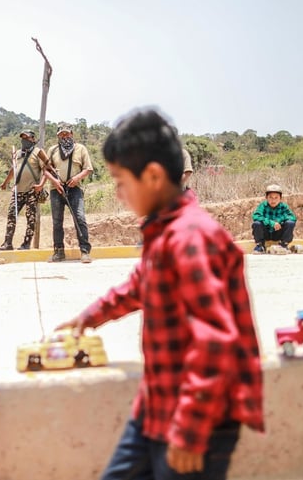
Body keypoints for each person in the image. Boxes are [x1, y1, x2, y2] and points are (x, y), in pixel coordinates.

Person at [55, 107, 263, 480]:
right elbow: (139, 287)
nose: (118, 194)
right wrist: (91, 316)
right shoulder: (164, 231)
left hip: (198, 419)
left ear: (152, 176)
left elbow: (215, 340)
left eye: (121, 181)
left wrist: (189, 430)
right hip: (156, 405)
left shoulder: (190, 238)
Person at [45, 123, 93, 263]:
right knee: (57, 221)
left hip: (75, 188)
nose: (64, 136)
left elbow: (88, 169)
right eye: (61, 134)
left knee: (80, 218)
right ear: (58, 136)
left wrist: (77, 178)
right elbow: (46, 170)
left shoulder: (80, 149)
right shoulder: (52, 150)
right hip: (56, 189)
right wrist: (55, 182)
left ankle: (85, 251)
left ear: (72, 134)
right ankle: (58, 252)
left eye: (67, 133)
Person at [0, 130, 47, 251]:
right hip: (17, 191)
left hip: (31, 190)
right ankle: (8, 243)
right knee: (11, 215)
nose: (24, 140)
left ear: (33, 139)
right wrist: (5, 182)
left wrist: (41, 185)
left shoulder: (38, 152)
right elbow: (13, 169)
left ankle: (26, 243)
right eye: (23, 138)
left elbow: (47, 169)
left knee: (30, 218)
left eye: (27, 138)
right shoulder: (18, 153)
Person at [251, 183, 296, 253]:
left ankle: (283, 245)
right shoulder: (262, 206)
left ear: (280, 198)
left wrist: (279, 220)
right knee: (257, 223)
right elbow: (256, 216)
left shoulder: (283, 206)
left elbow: (292, 217)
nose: (273, 200)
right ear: (266, 197)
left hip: (278, 233)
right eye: (271, 197)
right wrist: (271, 223)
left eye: (276, 197)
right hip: (266, 233)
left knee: (290, 223)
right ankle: (260, 246)